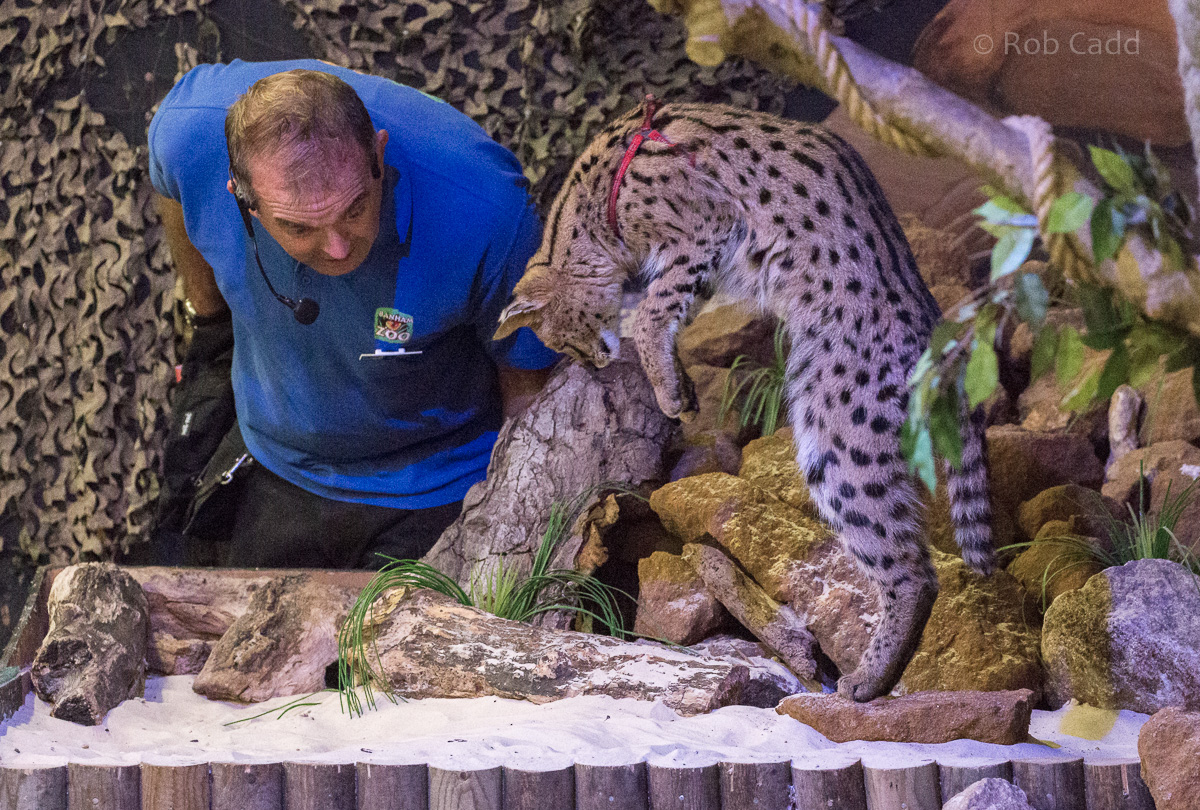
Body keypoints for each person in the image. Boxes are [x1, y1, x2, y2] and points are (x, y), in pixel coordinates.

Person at [146, 60, 557, 569]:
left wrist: (516, 513)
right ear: (241, 198)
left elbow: (530, 384)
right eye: (299, 228)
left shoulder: (488, 212)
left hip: (440, 480)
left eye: (355, 208)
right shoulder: (189, 133)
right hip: (281, 458)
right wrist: (206, 319)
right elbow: (169, 184)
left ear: (379, 153)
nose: (338, 249)